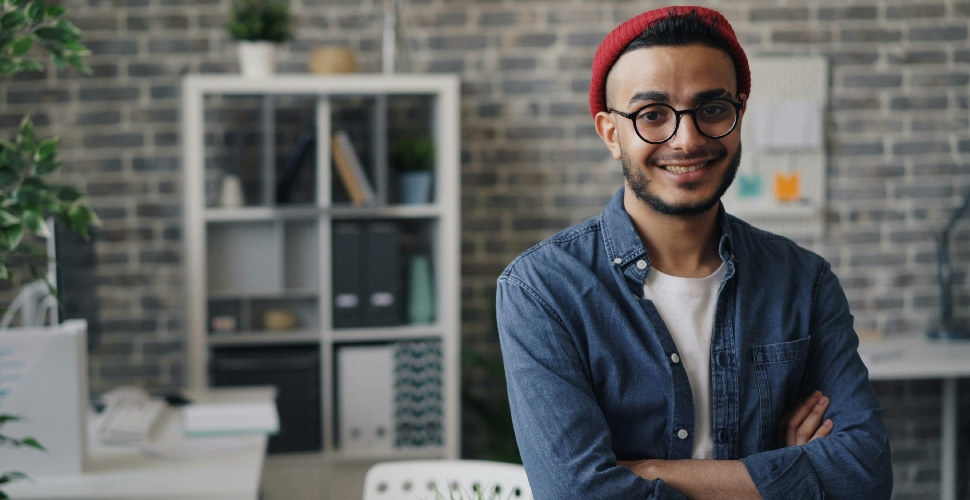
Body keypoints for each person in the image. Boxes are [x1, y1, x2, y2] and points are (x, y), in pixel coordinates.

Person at [495, 6, 892, 499]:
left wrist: (651, 471)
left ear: (738, 115)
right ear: (610, 133)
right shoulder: (543, 290)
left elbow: (865, 473)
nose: (687, 139)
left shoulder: (803, 281)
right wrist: (784, 472)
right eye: (652, 115)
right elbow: (576, 493)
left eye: (712, 109)